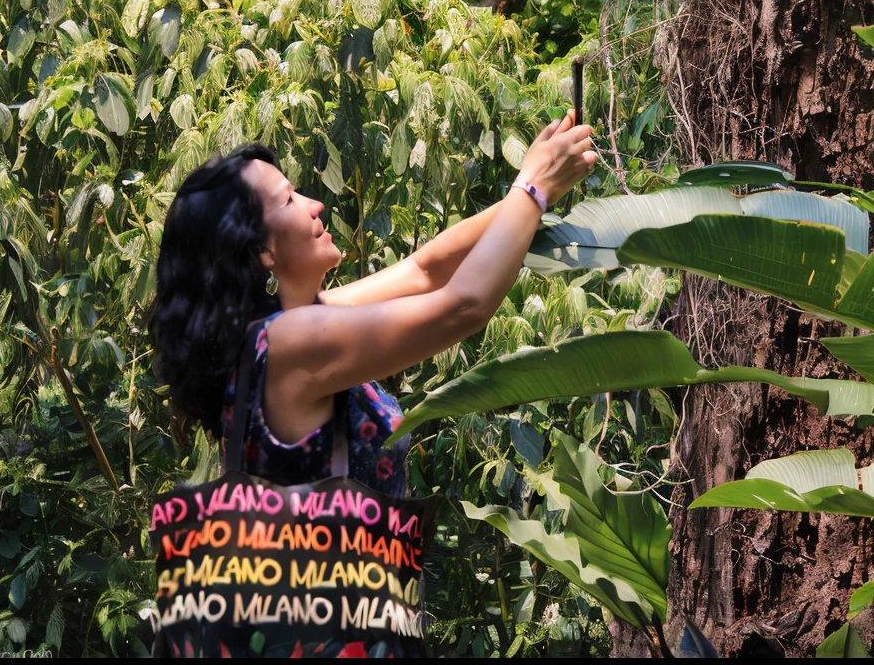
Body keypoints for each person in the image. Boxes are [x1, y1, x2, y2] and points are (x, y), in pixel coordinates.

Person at [146, 107, 595, 500]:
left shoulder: (288, 326)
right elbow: (465, 305)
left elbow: (426, 270)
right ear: (261, 251)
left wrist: (535, 184)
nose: (315, 204)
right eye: (289, 199)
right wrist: (532, 190)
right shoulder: (289, 343)